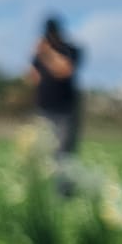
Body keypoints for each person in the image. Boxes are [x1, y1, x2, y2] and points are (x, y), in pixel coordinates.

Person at [26, 16, 83, 195]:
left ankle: (64, 194)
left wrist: (48, 53)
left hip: (65, 110)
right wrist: (35, 55)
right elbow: (32, 77)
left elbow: (65, 70)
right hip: (44, 109)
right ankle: (44, 194)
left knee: (63, 155)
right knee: (43, 153)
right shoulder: (39, 55)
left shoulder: (70, 50)